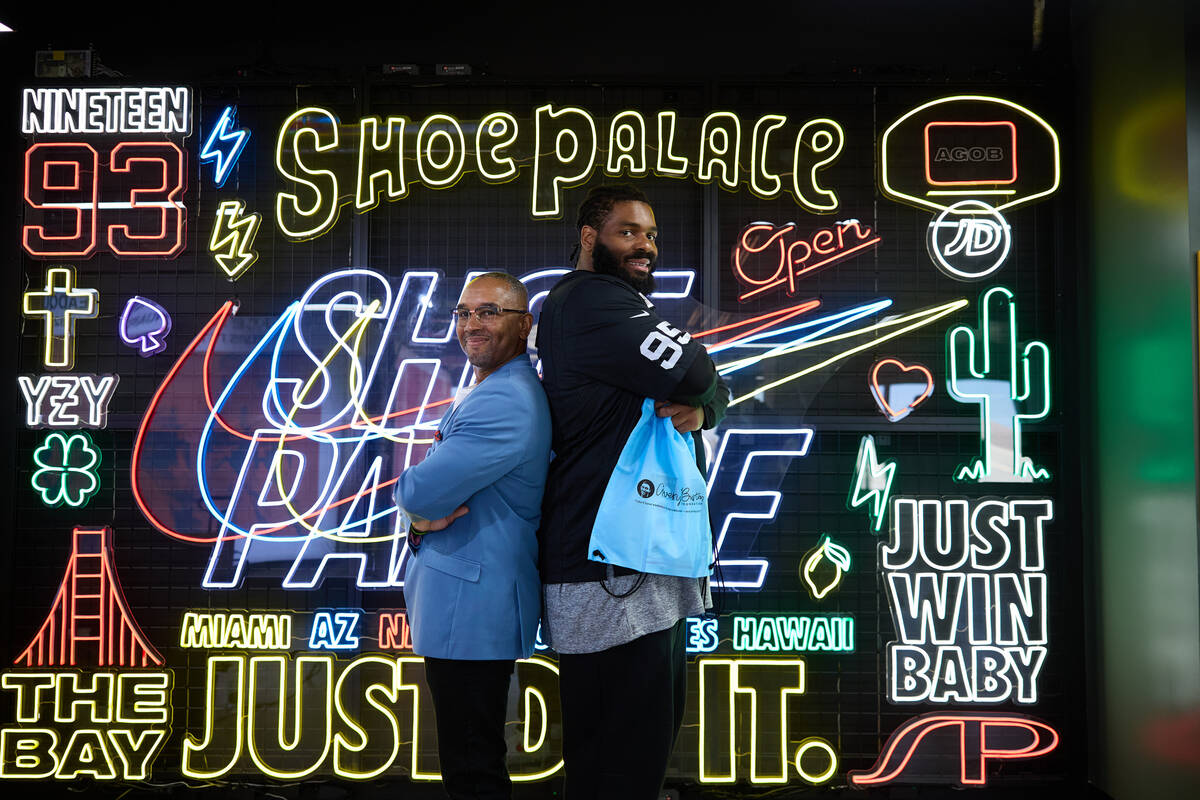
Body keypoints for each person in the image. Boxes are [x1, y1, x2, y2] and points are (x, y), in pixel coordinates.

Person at [536, 184, 729, 798]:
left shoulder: (612, 305)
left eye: (650, 235)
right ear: (590, 238)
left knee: (628, 761)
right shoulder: (590, 300)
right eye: (627, 232)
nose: (644, 246)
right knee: (619, 765)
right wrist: (704, 396)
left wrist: (706, 412)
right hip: (609, 572)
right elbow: (698, 371)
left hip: (634, 567)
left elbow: (707, 387)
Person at [395, 272, 551, 800]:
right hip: (470, 602)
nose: (471, 324)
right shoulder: (496, 390)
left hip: (472, 605)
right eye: (463, 313)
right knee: (471, 757)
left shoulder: (504, 401)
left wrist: (416, 513)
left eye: (489, 312)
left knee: (472, 766)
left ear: (524, 324)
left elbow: (419, 491)